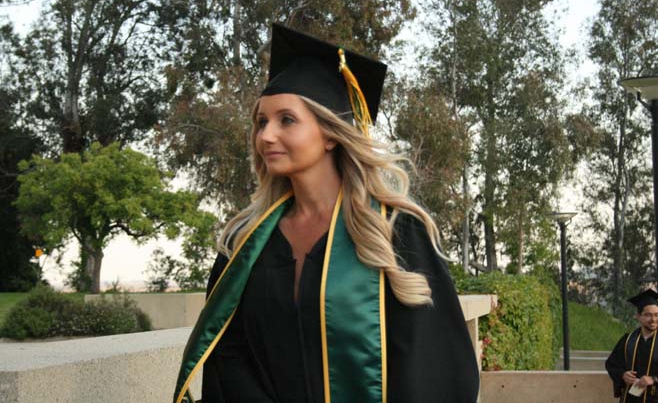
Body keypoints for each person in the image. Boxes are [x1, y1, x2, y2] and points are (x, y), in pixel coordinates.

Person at [173, 23, 479, 403]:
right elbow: (230, 358)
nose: (266, 135)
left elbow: (433, 364)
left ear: (332, 133)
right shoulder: (244, 243)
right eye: (261, 122)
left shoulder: (393, 231)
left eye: (287, 120)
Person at [606, 289, 658, 402]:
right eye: (648, 315)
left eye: (656, 315)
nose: (653, 319)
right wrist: (623, 374)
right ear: (638, 316)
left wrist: (653, 379)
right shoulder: (628, 340)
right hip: (630, 399)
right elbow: (611, 364)